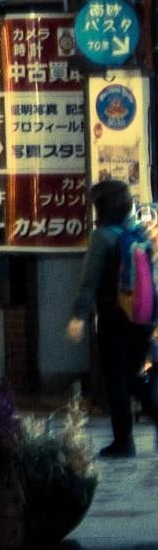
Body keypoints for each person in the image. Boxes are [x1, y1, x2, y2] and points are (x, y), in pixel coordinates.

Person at [70, 176, 157, 456]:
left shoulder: (102, 237)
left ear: (101, 207)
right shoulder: (139, 233)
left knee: (117, 380)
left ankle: (124, 442)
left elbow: (89, 281)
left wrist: (78, 316)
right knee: (132, 378)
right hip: (143, 317)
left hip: (115, 317)